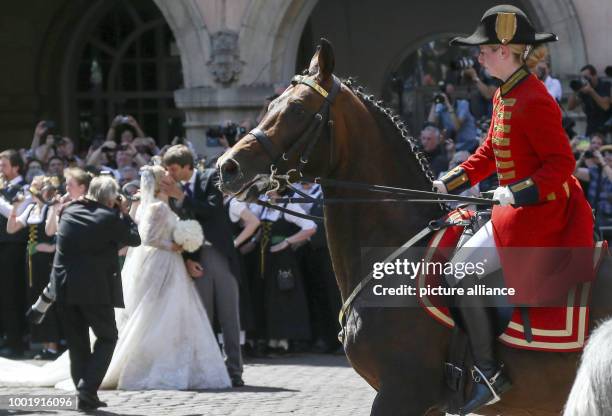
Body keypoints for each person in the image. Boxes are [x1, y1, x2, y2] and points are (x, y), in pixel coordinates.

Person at [434, 5, 594, 415]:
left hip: (540, 213)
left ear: (505, 50)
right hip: (515, 208)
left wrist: (516, 192)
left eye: (484, 50)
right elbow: (489, 152)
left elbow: (561, 165)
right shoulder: (507, 92)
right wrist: (447, 182)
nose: (479, 57)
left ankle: (490, 372)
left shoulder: (535, 97)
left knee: (459, 272)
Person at [0, 168, 231, 401]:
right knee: (108, 338)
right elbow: (135, 238)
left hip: (65, 287)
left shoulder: (69, 211)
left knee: (78, 343)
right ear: (111, 199)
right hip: (96, 290)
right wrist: (124, 213)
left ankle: (84, 391)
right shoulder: (110, 218)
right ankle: (88, 389)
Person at [161, 145, 245, 387]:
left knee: (229, 315)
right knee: (203, 317)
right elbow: (179, 225)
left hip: (219, 254)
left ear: (188, 166)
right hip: (195, 258)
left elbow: (211, 209)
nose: (171, 173)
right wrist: (188, 259)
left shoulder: (210, 178)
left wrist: (182, 197)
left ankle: (234, 370)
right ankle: (209, 370)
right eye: (168, 169)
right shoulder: (174, 191)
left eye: (174, 168)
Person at [7, 176, 61, 360]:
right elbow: (12, 229)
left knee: (47, 299)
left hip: (46, 260)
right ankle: (44, 343)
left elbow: (54, 233)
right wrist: (14, 207)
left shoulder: (49, 208)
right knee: (35, 296)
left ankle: (52, 345)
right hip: (31, 260)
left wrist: (50, 247)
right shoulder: (30, 209)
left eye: (35, 188)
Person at [0, 150, 30, 358]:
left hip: (13, 245)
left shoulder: (26, 187)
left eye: (4, 164)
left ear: (16, 167)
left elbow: (18, 214)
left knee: (11, 293)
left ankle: (16, 341)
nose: (0, 168)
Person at [428, 80, 479, 152]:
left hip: (470, 143)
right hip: (455, 145)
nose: (449, 95)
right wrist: (434, 103)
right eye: (446, 92)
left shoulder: (463, 104)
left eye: (450, 92)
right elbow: (430, 125)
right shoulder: (441, 106)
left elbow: (457, 127)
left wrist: (448, 104)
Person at [567, 64, 611, 136]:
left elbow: (606, 106)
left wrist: (591, 91)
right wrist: (575, 89)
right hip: (591, 130)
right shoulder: (584, 90)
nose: (585, 80)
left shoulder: (606, 86)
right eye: (583, 78)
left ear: (595, 75)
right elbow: (570, 107)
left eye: (586, 77)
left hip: (606, 130)